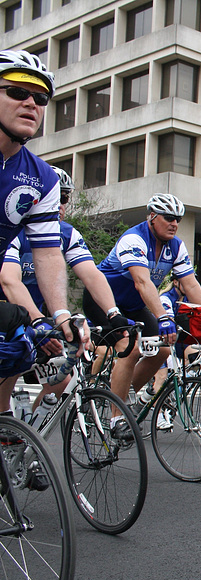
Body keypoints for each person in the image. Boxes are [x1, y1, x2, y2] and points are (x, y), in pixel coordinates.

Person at [0, 49, 89, 415]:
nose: (31, 104)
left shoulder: (42, 177)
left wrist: (60, 318)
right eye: (17, 92)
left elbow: (48, 253)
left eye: (40, 98)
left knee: (17, 349)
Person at [0, 165, 131, 409]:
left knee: (62, 379)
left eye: (65, 198)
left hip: (34, 320)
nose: (60, 204)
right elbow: (10, 281)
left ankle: (30, 434)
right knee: (9, 365)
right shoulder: (13, 230)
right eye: (55, 197)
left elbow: (92, 275)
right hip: (8, 315)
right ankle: (6, 425)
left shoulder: (66, 233)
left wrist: (114, 313)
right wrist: (39, 321)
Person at [83, 193, 201, 438]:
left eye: (178, 219)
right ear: (152, 216)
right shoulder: (133, 238)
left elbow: (190, 285)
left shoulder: (176, 246)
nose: (174, 223)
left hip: (133, 306)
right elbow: (142, 281)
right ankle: (117, 417)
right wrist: (163, 317)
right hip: (104, 301)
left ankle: (125, 396)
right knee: (130, 346)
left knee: (162, 350)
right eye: (169, 218)